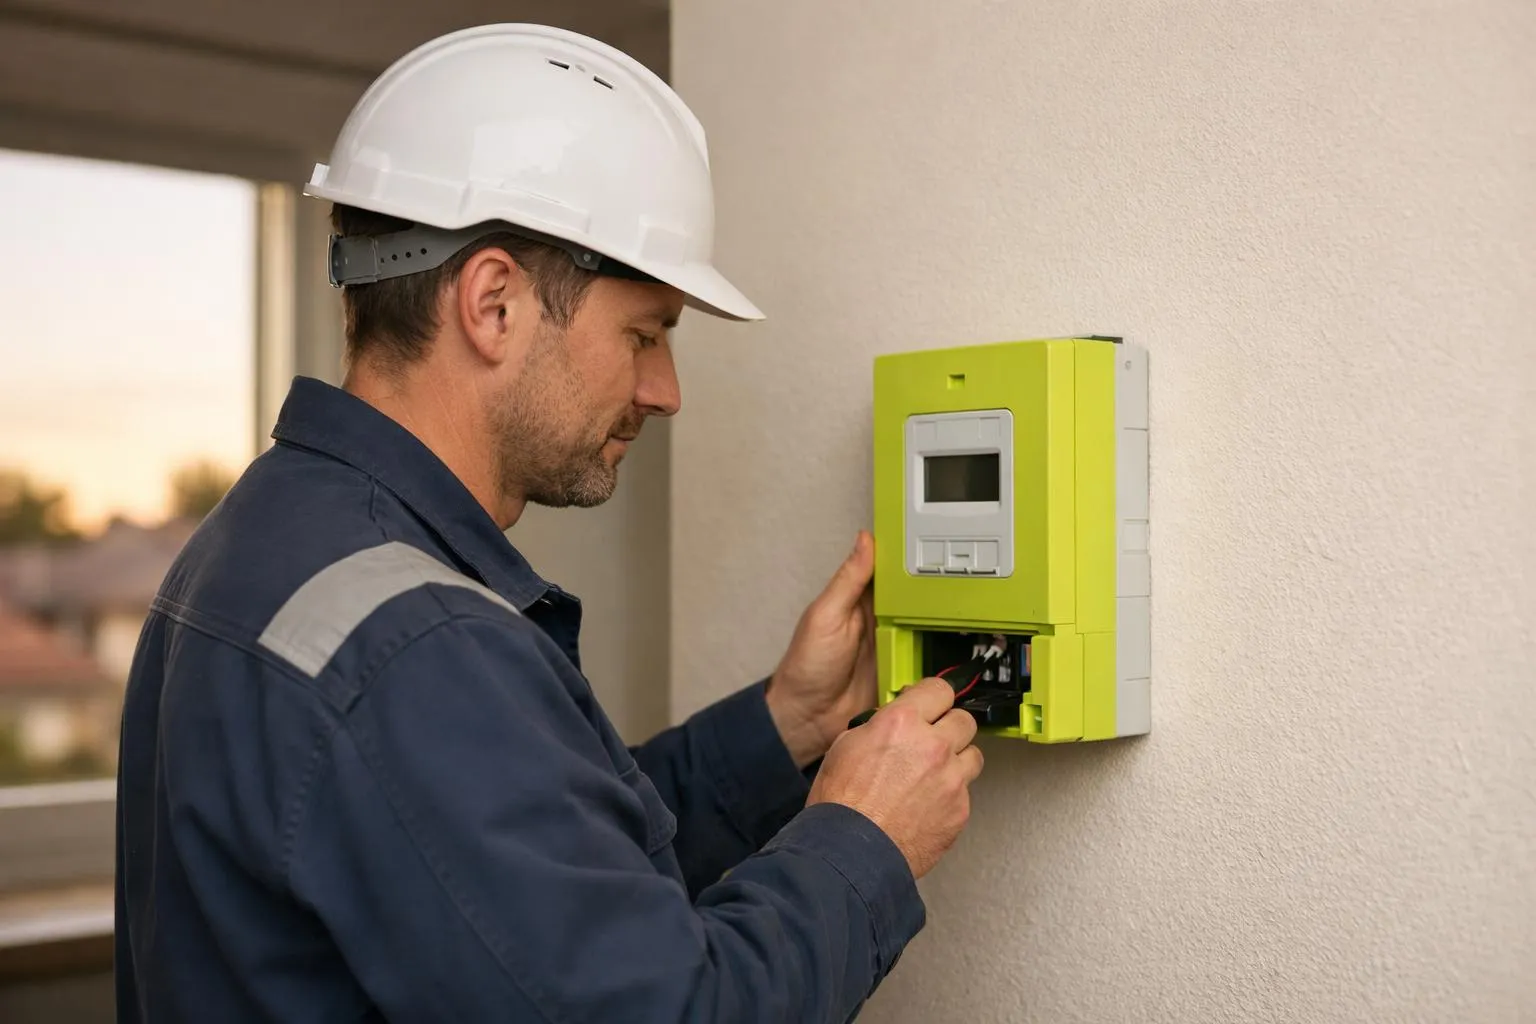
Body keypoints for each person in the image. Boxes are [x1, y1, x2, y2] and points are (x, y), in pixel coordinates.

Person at [113, 23, 983, 1023]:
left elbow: (526, 890)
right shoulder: (414, 648)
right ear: (493, 304)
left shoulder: (266, 538)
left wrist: (786, 725)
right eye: (644, 334)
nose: (666, 391)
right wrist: (862, 836)